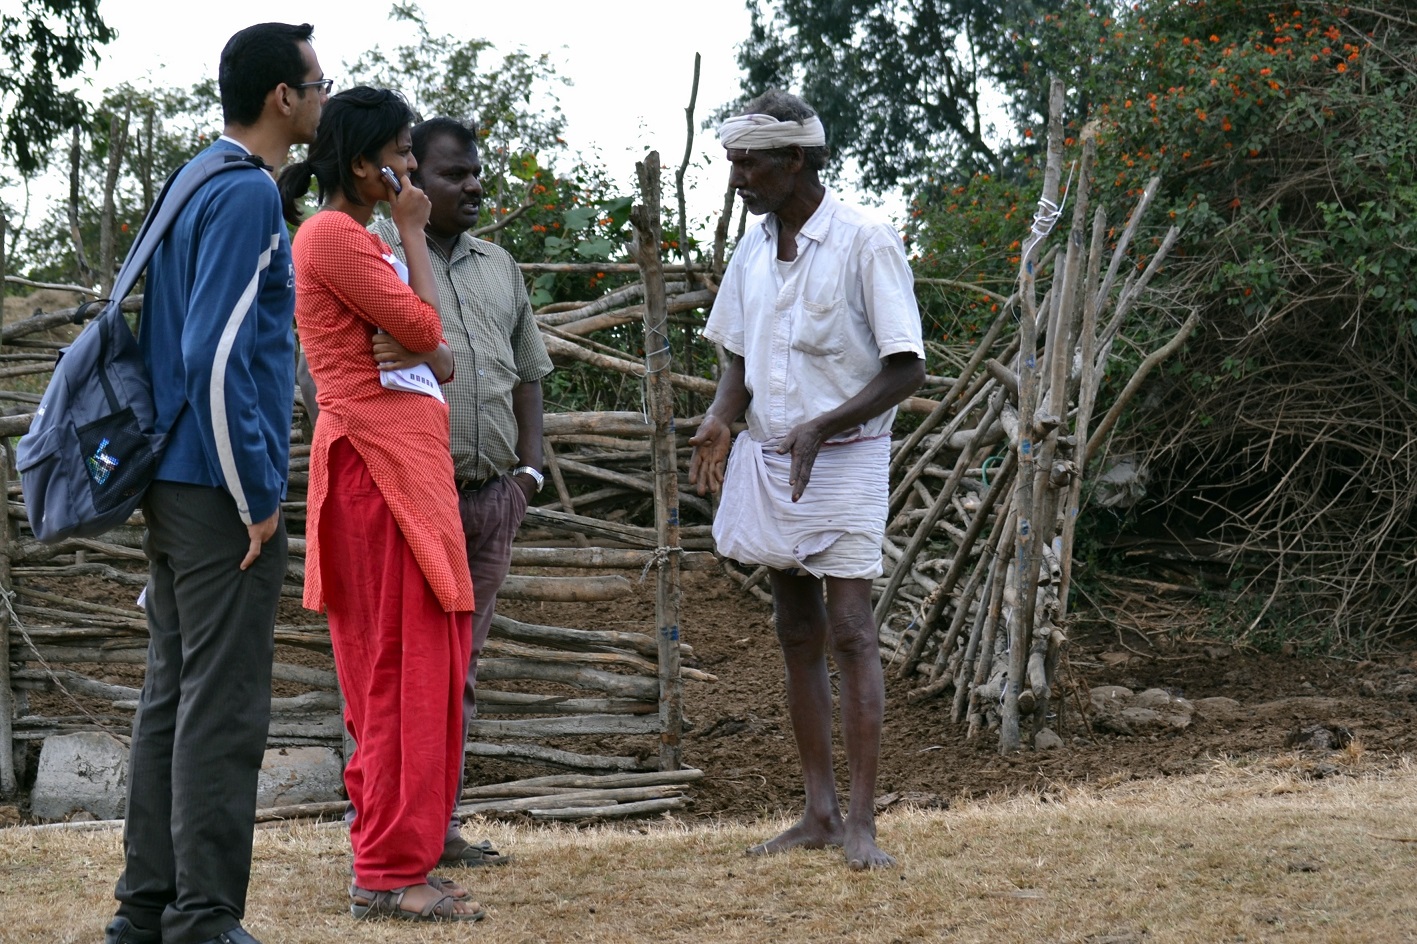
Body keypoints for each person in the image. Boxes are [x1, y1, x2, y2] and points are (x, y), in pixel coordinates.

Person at [105, 23, 326, 944]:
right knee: (224, 708)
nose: (324, 96)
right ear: (283, 96)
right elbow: (218, 351)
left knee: (172, 695)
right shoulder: (244, 196)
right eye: (317, 82)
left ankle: (144, 911)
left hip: (175, 485)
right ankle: (203, 918)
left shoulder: (194, 177)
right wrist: (255, 497)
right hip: (218, 494)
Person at [688, 90, 926, 871]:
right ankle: (817, 813)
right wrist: (722, 417)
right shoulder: (753, 249)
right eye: (732, 162)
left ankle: (861, 822)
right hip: (771, 454)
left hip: (847, 454)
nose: (737, 179)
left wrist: (824, 426)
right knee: (794, 629)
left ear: (796, 159)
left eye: (749, 162)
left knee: (852, 630)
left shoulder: (864, 241)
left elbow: (906, 366)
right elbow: (735, 358)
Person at [278, 86, 483, 923]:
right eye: (400, 154)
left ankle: (403, 859)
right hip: (378, 472)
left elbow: (429, 345)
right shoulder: (334, 235)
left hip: (403, 468)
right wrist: (409, 234)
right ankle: (389, 873)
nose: (410, 170)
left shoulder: (355, 239)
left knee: (423, 666)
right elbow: (430, 335)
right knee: (398, 672)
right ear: (362, 163)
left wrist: (426, 344)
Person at [367, 117, 553, 868]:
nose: (474, 185)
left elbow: (530, 370)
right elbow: (332, 375)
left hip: (488, 501)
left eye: (476, 172)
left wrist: (529, 472)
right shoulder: (375, 253)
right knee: (398, 668)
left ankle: (437, 830)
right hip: (413, 500)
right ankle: (387, 835)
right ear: (411, 180)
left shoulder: (498, 265)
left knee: (457, 672)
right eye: (454, 174)